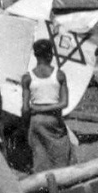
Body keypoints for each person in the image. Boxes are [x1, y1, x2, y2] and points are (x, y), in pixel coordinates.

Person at [22, 38, 76, 174]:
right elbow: (64, 103)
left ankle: (44, 189)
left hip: (36, 121)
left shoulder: (27, 78)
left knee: (40, 156)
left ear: (35, 55)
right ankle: (61, 185)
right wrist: (47, 108)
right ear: (50, 55)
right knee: (60, 155)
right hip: (54, 120)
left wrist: (36, 112)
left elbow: (25, 108)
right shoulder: (59, 75)